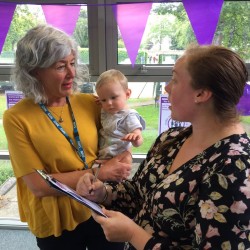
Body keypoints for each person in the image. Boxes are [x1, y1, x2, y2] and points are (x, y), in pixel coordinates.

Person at [76, 44, 250, 249]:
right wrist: (102, 192)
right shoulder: (171, 139)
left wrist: (133, 234)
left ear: (201, 94)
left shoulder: (236, 168)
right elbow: (138, 193)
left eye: (175, 80)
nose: (166, 87)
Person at [3, 24, 132, 250]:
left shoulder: (90, 103)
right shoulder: (16, 117)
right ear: (34, 71)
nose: (72, 73)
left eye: (72, 63)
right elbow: (38, 185)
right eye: (61, 66)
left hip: (100, 204)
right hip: (56, 218)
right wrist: (99, 171)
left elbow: (120, 138)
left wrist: (125, 158)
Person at [95, 69, 146, 159]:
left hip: (118, 159)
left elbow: (139, 140)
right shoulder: (108, 110)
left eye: (113, 97)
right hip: (103, 156)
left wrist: (135, 138)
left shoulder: (129, 116)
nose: (109, 103)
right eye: (104, 99)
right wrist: (101, 102)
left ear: (127, 94)